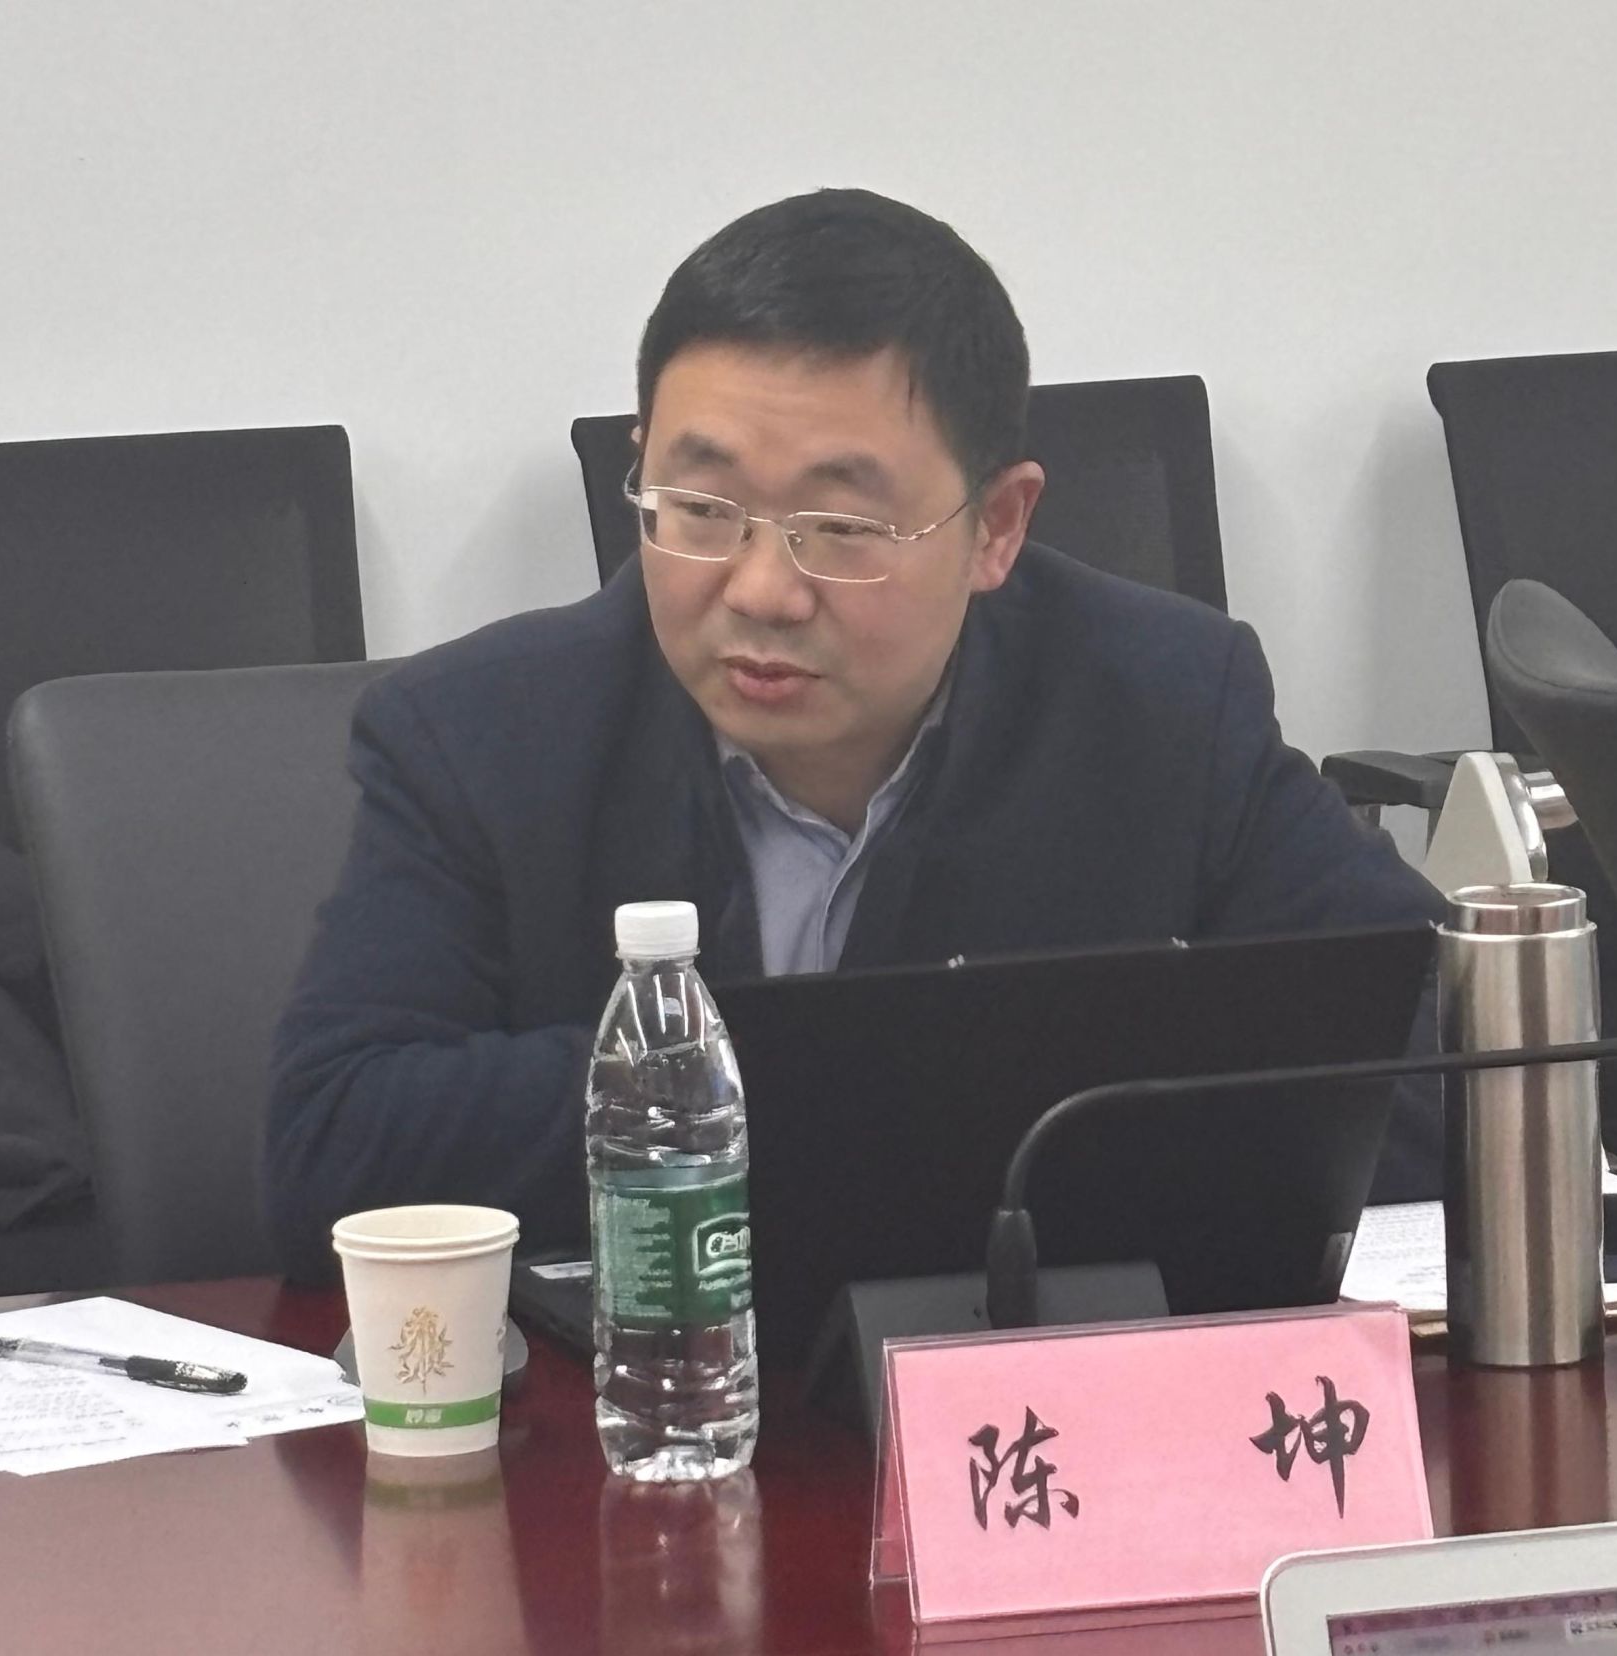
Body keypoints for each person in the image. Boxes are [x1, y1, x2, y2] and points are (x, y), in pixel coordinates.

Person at [265, 188, 1444, 1281]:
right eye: (701, 508)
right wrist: (830, 1081)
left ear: (996, 526)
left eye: (839, 525)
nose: (761, 590)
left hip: (1030, 1386)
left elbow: (1436, 1068)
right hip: (646, 1390)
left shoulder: (1164, 705)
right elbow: (334, 1144)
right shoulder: (481, 736)